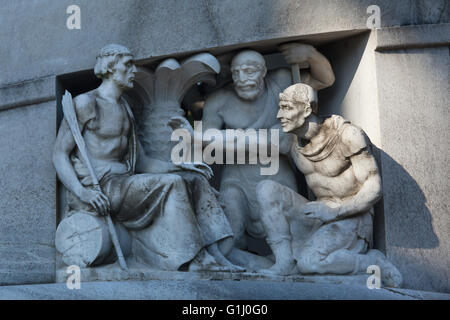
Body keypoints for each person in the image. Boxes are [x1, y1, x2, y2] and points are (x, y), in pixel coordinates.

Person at [53, 44, 235, 272]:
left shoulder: (125, 109)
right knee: (174, 183)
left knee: (192, 178)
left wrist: (180, 165)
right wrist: (82, 192)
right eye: (127, 65)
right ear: (110, 67)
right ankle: (194, 258)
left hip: (125, 183)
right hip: (102, 188)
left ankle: (214, 252)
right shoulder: (86, 103)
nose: (133, 71)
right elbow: (60, 154)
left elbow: (142, 163)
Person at [256, 83, 402, 287]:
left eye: (287, 108)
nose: (279, 114)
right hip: (316, 213)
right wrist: (199, 139)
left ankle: (372, 262)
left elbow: (373, 188)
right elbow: (244, 142)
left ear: (307, 110)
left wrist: (336, 212)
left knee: (309, 263)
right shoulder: (290, 139)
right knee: (266, 189)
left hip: (350, 216)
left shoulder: (346, 135)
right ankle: (284, 262)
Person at [200, 43, 335, 259]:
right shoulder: (219, 101)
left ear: (263, 71)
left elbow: (324, 80)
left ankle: (283, 267)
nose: (242, 79)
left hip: (277, 174)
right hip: (236, 178)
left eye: (249, 71)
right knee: (230, 238)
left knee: (289, 240)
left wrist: (311, 54)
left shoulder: (281, 82)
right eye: (236, 73)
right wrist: (267, 139)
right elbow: (206, 139)